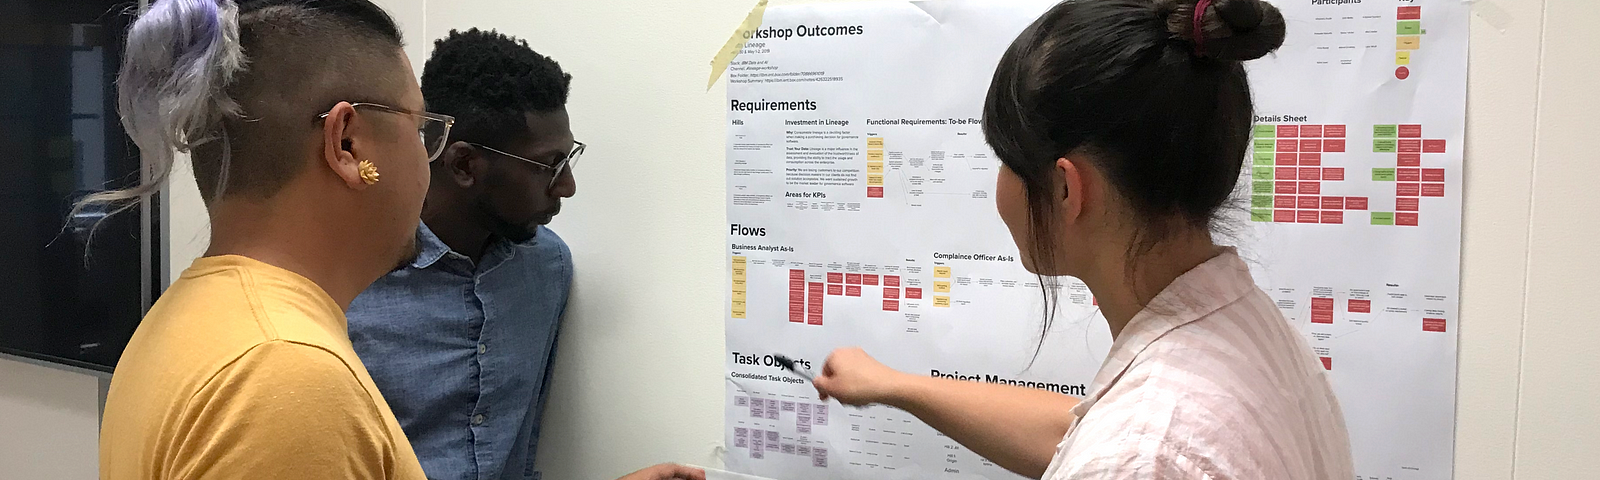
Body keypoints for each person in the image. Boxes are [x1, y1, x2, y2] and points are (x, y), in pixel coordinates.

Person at [96, 1, 700, 479]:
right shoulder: (286, 377)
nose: (427, 157)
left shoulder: (188, 319)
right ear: (348, 144)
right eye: (421, 129)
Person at [811, 0, 1355, 479]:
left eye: (1006, 160)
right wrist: (893, 385)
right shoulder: (1240, 331)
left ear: (1067, 188)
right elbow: (1079, 432)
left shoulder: (1142, 454)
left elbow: (1129, 450)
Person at [345, 28, 578, 480]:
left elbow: (522, 454)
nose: (567, 186)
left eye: (570, 161)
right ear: (464, 165)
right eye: (551, 165)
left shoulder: (548, 268)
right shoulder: (349, 277)